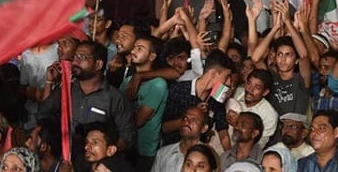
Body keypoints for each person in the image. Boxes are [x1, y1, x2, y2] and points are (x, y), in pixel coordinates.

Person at [37, 41, 135, 171]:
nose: (75, 62)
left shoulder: (114, 98)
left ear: (98, 64)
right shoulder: (66, 91)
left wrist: (102, 154)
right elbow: (43, 114)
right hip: (66, 163)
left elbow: (127, 137)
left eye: (82, 57)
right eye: (75, 56)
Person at [119, 35, 168, 171]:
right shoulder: (128, 81)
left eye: (139, 49)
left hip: (144, 152)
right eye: (134, 47)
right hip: (125, 146)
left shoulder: (158, 84)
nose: (133, 51)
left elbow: (139, 121)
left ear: (152, 56)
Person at [229, 69, 278, 149]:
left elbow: (258, 146)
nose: (250, 89)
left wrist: (239, 124)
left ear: (265, 92)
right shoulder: (236, 93)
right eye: (249, 84)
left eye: (257, 87)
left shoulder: (270, 115)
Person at [152, 107, 210, 172]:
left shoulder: (209, 156)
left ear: (204, 128)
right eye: (184, 118)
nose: (187, 122)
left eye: (193, 120)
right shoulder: (163, 154)